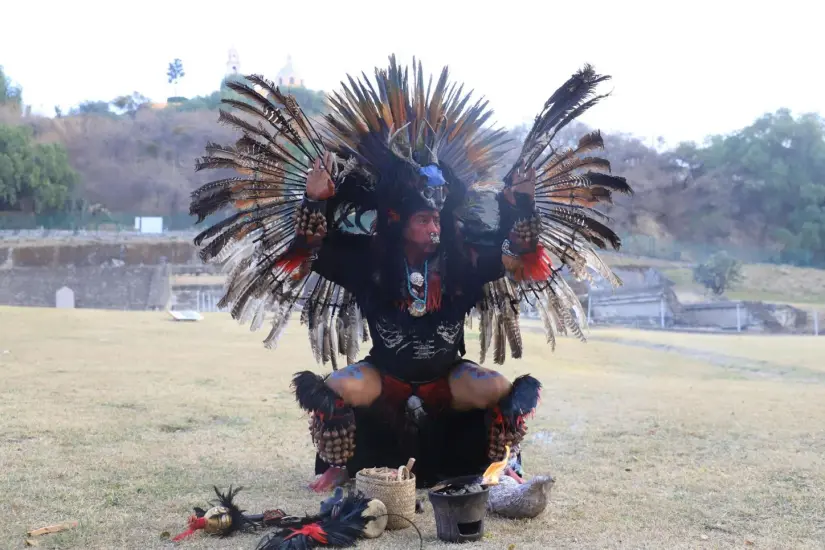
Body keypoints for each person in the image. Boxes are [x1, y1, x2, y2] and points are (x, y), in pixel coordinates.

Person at [189, 56, 632, 492]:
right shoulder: (368, 263)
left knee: (500, 388)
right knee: (335, 387)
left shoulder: (464, 262)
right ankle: (338, 467)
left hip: (448, 376)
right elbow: (306, 254)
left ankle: (504, 464)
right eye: (424, 220)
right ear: (400, 221)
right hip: (385, 376)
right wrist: (313, 200)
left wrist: (523, 204)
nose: (434, 227)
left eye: (437, 219)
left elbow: (519, 254)